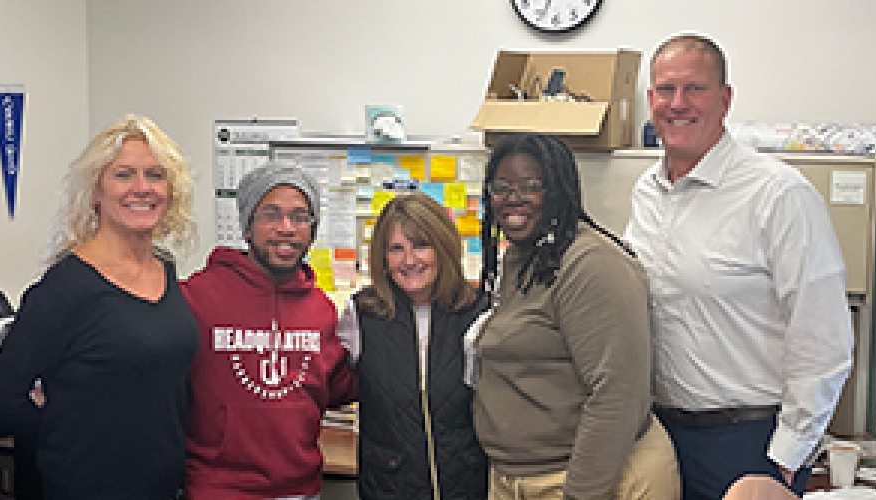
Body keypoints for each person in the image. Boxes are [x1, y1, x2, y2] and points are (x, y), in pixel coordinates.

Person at [625, 33, 854, 499]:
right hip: (662, 438)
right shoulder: (646, 192)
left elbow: (824, 339)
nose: (678, 103)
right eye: (666, 90)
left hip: (751, 442)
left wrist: (788, 454)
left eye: (696, 89)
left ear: (725, 99)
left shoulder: (779, 196)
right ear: (650, 99)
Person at [0, 114, 199, 500]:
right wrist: (72, 432)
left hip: (161, 485)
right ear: (95, 192)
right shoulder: (67, 287)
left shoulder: (164, 268)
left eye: (156, 175)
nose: (142, 188)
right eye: (124, 175)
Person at [474, 133, 680, 500]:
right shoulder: (521, 259)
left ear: (558, 190)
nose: (512, 199)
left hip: (587, 480)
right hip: (522, 477)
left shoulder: (591, 264)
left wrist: (581, 494)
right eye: (501, 187)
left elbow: (617, 395)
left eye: (531, 186)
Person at [181, 163, 358, 500]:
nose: (286, 228)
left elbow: (334, 386)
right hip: (218, 490)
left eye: (300, 217)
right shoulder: (197, 297)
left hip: (300, 490)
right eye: (271, 215)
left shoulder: (320, 308)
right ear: (248, 227)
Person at [335, 193, 489, 499]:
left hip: (466, 486)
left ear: (442, 248)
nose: (409, 260)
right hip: (389, 487)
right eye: (396, 249)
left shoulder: (479, 313)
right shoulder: (361, 314)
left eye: (421, 245)